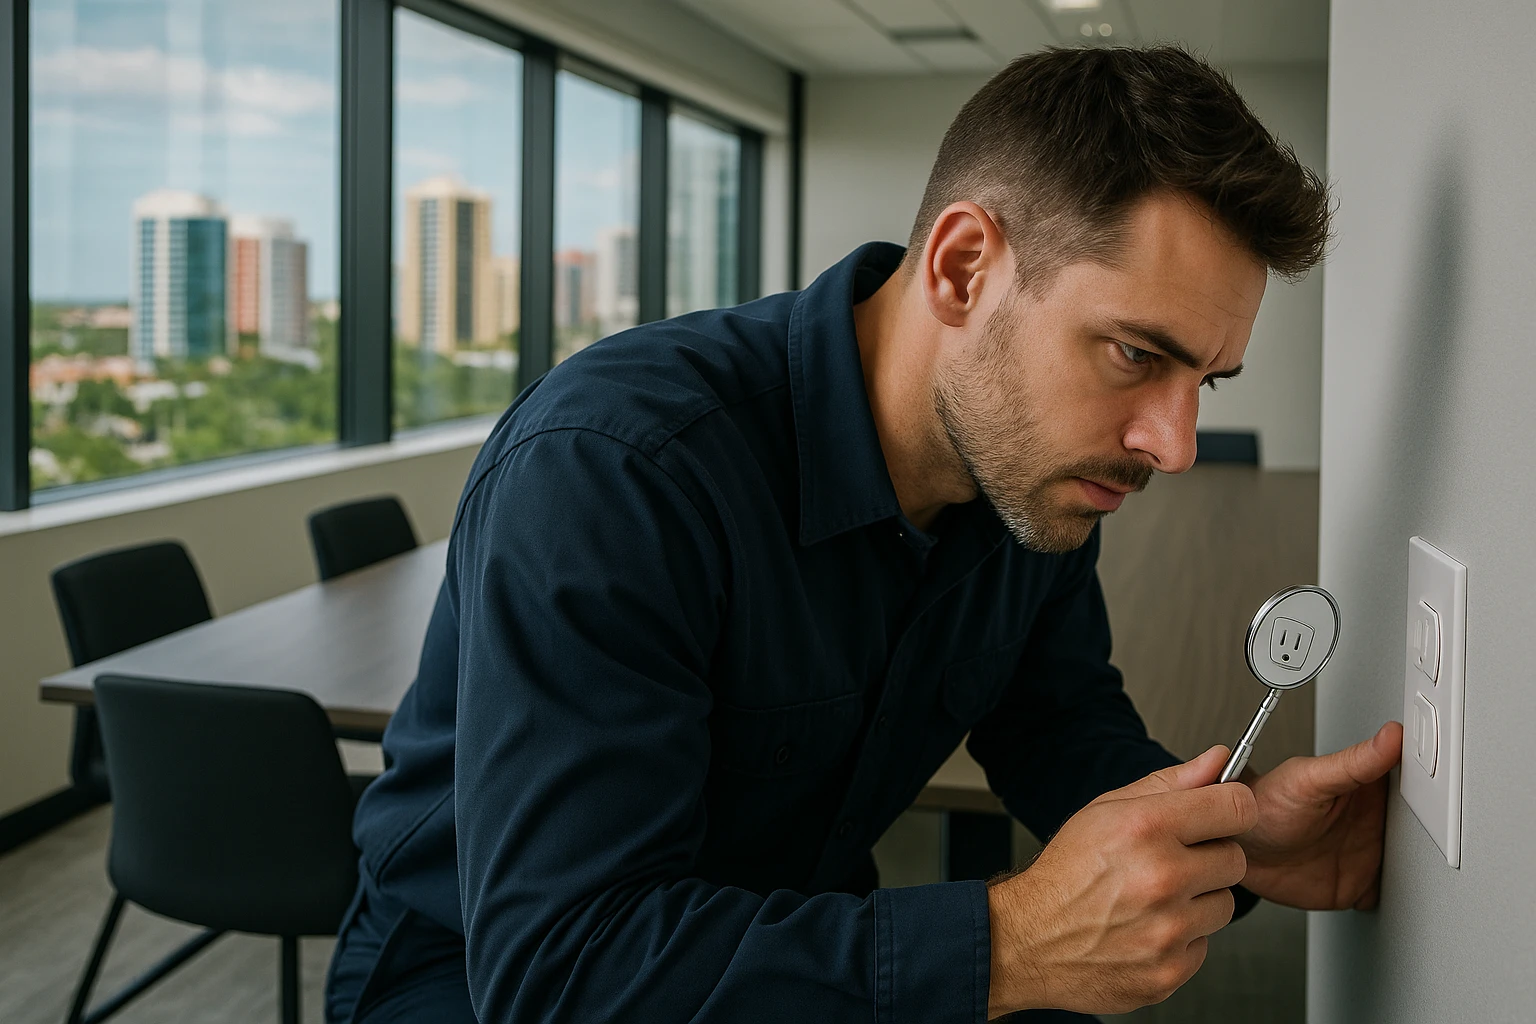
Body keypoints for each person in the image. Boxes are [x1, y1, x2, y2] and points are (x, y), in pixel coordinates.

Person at [326, 45, 1402, 1023]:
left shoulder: (1030, 472)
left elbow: (1058, 727)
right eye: (1134, 354)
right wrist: (1010, 943)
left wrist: (1239, 834)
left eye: (1204, 381)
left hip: (797, 960)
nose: (1173, 442)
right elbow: (564, 970)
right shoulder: (618, 468)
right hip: (469, 989)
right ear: (963, 267)